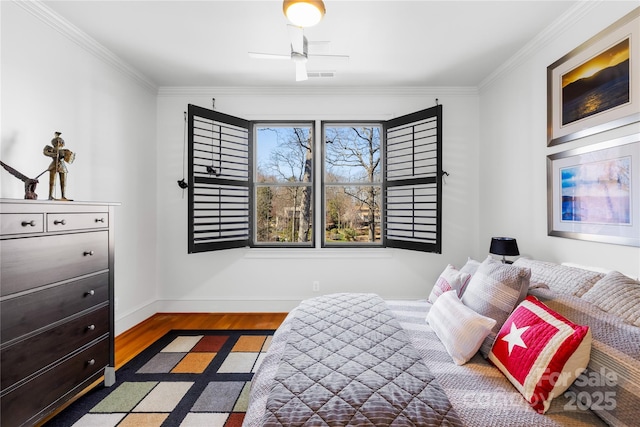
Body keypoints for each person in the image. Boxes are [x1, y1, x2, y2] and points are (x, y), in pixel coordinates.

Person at [43, 131, 74, 200]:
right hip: (54, 165)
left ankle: (63, 196)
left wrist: (64, 156)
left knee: (63, 182)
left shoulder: (64, 151)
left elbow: (69, 158)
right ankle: (50, 195)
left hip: (62, 166)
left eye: (60, 142)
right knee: (52, 182)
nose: (59, 143)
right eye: (58, 142)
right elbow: (46, 152)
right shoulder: (51, 149)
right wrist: (53, 154)